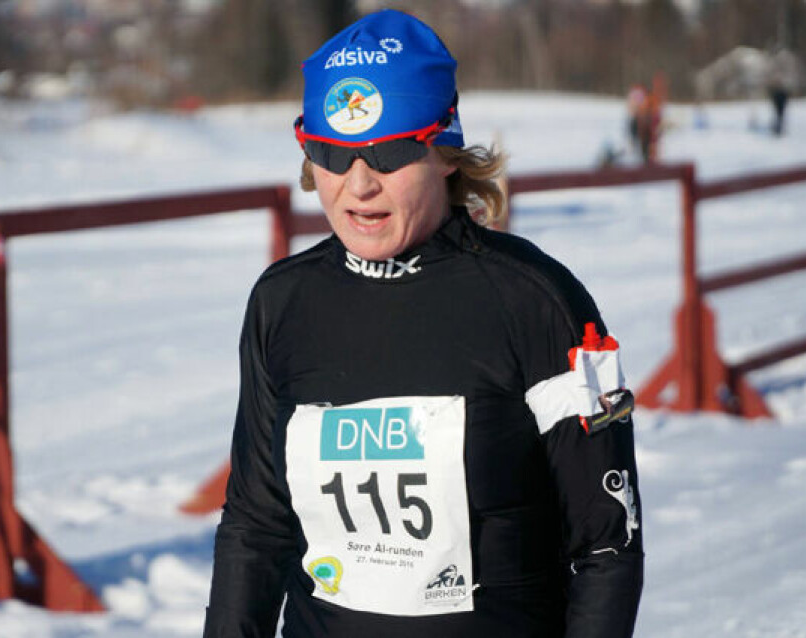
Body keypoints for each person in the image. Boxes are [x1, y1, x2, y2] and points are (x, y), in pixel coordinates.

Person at [204, 9, 643, 638]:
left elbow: (606, 549)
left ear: (443, 151)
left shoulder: (535, 301)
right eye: (332, 152)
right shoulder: (284, 303)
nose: (358, 185)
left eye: (388, 153)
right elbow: (256, 524)